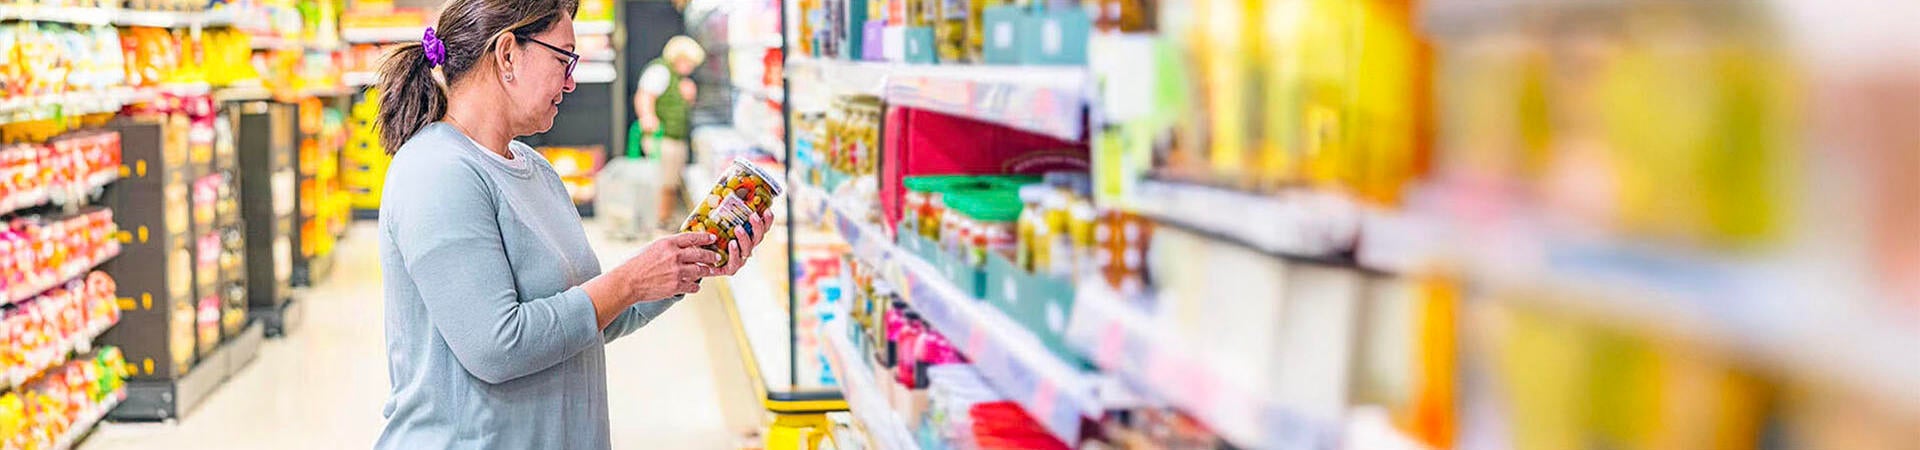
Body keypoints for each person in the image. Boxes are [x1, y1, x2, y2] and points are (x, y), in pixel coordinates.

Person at [370, 0, 773, 447]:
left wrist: (683, 264)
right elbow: (497, 346)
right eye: (564, 58)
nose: (571, 80)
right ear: (507, 55)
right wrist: (630, 282)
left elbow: (588, 317)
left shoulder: (532, 167)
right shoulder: (436, 171)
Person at [632, 35, 704, 230]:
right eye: (689, 62)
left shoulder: (678, 78)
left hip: (674, 137)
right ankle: (660, 221)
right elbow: (644, 96)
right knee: (664, 182)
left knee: (671, 182)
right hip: (662, 139)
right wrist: (648, 117)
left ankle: (666, 218)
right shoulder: (660, 71)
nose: (691, 68)